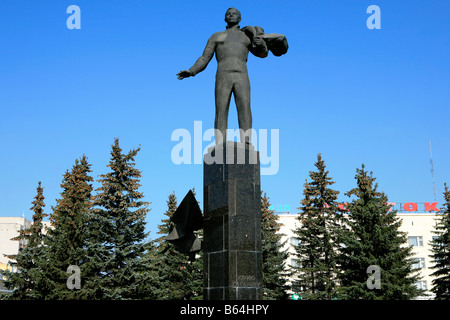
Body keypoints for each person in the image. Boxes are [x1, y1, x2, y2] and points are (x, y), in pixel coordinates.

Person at [177, 8, 268, 144]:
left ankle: (247, 141)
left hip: (241, 75)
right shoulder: (216, 36)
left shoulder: (247, 37)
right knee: (221, 109)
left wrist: (262, 46)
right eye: (228, 14)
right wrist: (192, 71)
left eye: (234, 14)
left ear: (240, 18)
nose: (231, 15)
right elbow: (204, 58)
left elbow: (262, 54)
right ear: (225, 18)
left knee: (244, 107)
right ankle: (220, 142)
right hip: (223, 76)